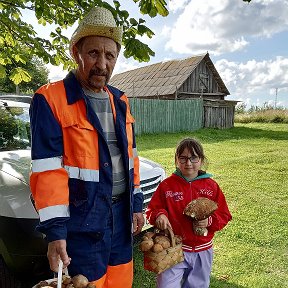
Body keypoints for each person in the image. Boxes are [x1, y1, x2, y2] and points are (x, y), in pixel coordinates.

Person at [29, 6, 144, 287]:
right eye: (93, 53)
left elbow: (131, 159)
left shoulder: (121, 101)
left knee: (120, 282)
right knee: (86, 283)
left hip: (120, 217)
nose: (102, 64)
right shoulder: (50, 99)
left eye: (110, 55)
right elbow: (47, 172)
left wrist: (137, 203)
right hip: (81, 223)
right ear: (75, 52)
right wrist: (56, 232)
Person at [146, 138, 232, 288]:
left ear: (201, 159)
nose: (188, 163)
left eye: (193, 158)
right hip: (173, 249)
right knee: (166, 285)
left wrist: (209, 222)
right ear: (176, 160)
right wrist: (159, 214)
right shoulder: (167, 185)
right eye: (183, 158)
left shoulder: (211, 186)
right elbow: (152, 210)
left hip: (202, 250)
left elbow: (224, 215)